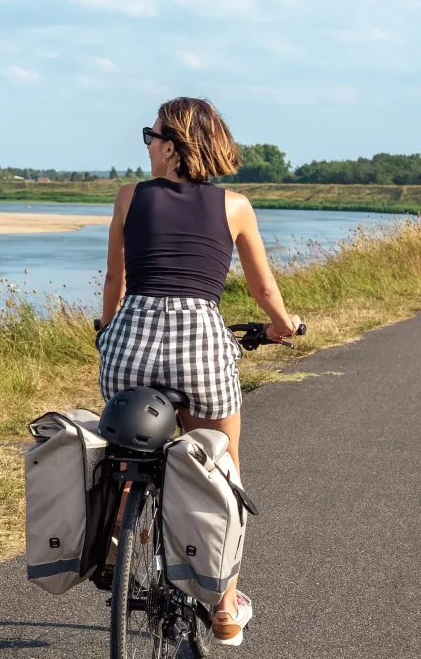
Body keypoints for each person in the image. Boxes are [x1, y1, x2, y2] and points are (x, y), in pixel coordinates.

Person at [96, 96, 302, 646]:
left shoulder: (127, 198)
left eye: (150, 134)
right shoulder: (234, 206)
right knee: (223, 469)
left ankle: (119, 529)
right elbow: (263, 291)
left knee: (123, 448)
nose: (146, 143)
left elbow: (114, 285)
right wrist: (283, 326)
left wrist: (105, 327)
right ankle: (227, 607)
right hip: (201, 348)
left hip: (129, 347)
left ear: (171, 146)